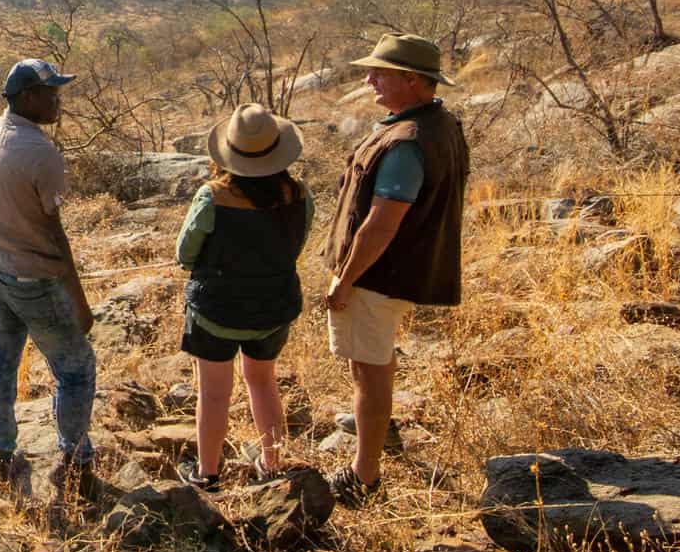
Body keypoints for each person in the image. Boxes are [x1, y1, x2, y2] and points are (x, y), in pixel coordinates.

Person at [324, 33, 469, 506]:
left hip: (377, 275)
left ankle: (364, 475)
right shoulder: (435, 123)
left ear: (412, 80)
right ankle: (382, 435)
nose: (369, 80)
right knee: (373, 360)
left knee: (368, 370)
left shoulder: (407, 141)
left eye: (379, 73)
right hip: (395, 272)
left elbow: (381, 225)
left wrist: (344, 279)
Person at [0, 58, 97, 495]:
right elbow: (54, 234)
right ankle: (76, 461)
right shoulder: (41, 153)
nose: (58, 99)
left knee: (0, 361)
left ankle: (0, 456)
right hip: (31, 277)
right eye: (50, 92)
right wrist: (79, 301)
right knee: (75, 368)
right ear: (27, 98)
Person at [174, 103, 311, 491]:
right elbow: (296, 244)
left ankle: (209, 474)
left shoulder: (212, 197)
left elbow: (185, 254)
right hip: (274, 307)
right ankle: (272, 464)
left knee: (214, 394)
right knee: (263, 382)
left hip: (217, 309)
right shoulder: (298, 193)